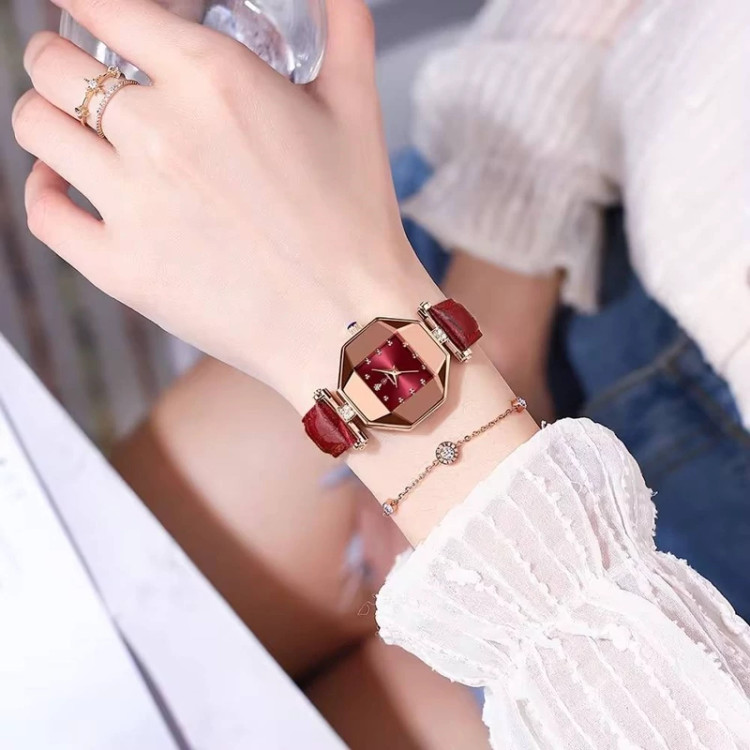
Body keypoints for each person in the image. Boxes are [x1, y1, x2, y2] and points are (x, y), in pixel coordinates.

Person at [12, 0, 750, 747]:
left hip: (700, 638)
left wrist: (363, 342)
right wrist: (495, 282)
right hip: (550, 228)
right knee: (41, 649)